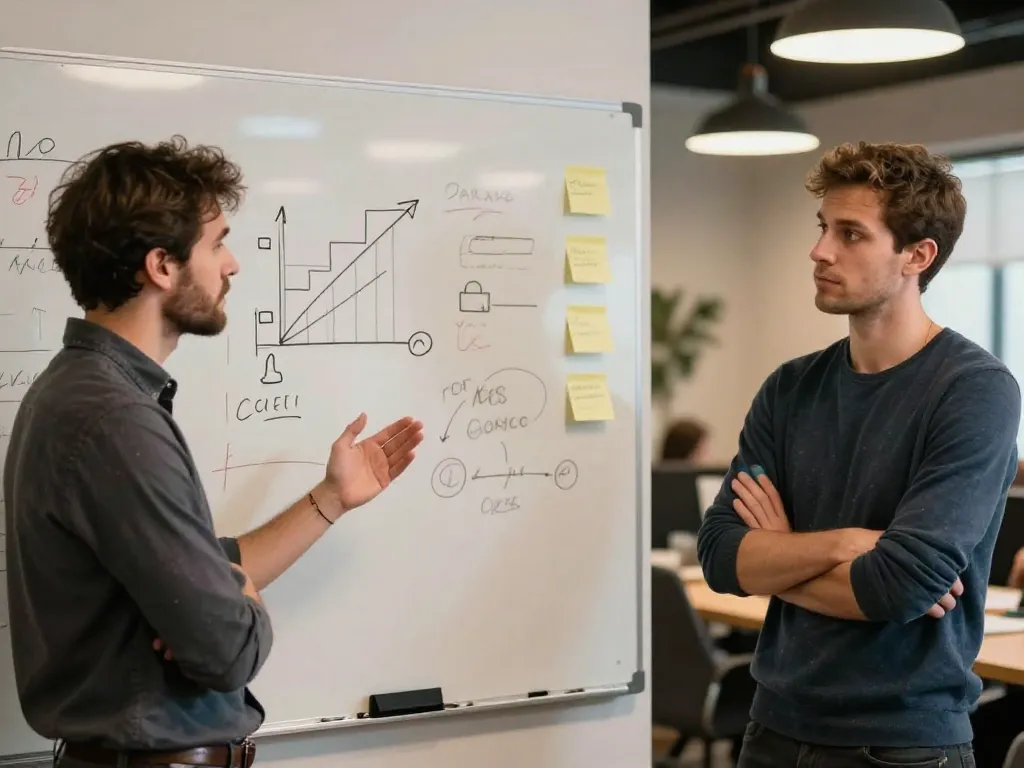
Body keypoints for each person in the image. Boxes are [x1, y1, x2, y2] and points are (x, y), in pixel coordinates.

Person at [3, 137, 424, 768]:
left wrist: (329, 499)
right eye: (217, 242)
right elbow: (225, 648)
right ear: (162, 267)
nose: (232, 265)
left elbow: (200, 574)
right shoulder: (113, 418)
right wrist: (232, 606)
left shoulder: (80, 393)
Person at [697, 141, 1020, 767]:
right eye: (824, 229)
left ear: (917, 256)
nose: (820, 251)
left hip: (901, 745)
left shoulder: (974, 390)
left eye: (851, 234)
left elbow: (900, 587)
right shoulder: (790, 387)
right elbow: (720, 556)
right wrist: (846, 543)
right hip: (772, 729)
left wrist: (780, 554)